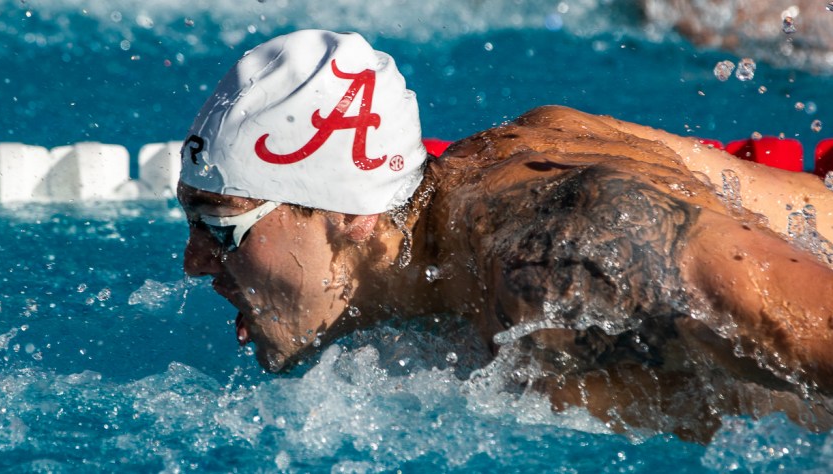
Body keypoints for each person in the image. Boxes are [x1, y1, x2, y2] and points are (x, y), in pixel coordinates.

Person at [177, 29, 833, 442]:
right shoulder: (455, 225)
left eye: (219, 227)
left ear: (352, 216)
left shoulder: (566, 257)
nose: (193, 263)